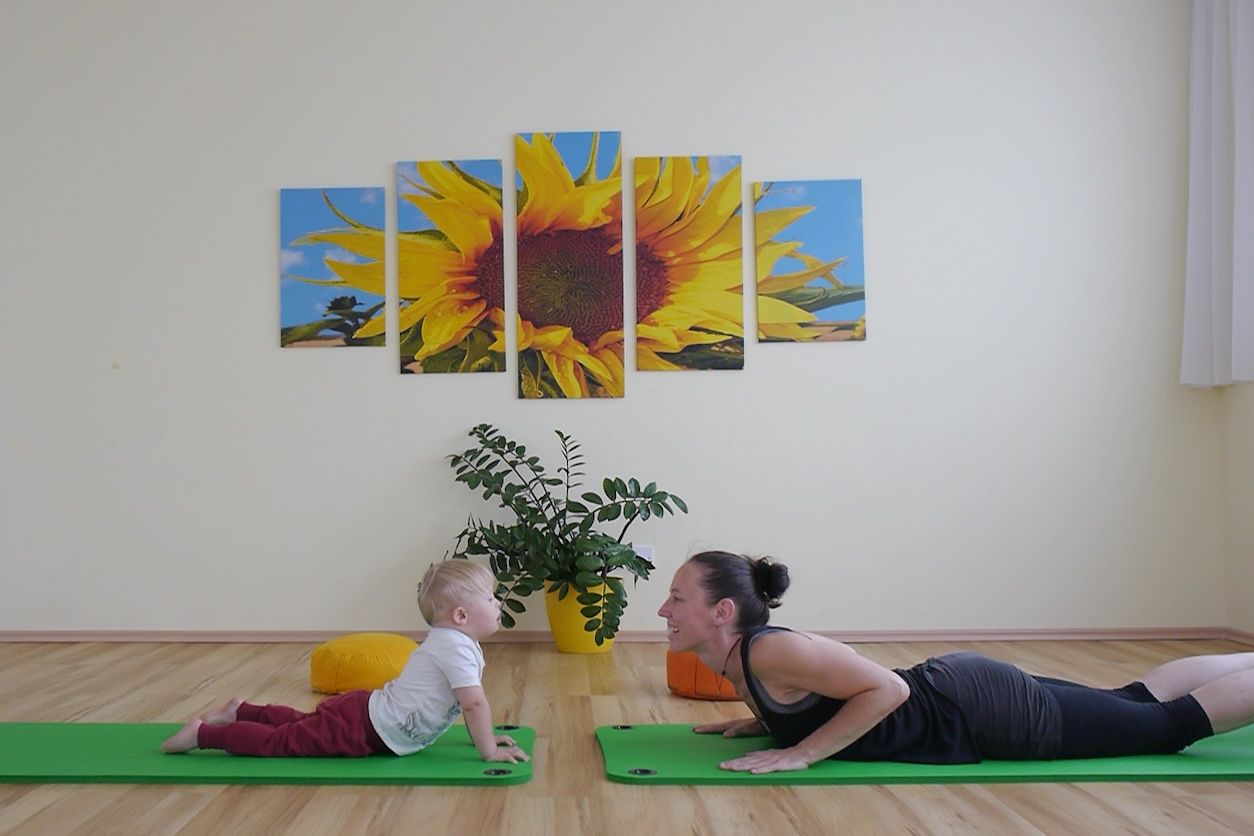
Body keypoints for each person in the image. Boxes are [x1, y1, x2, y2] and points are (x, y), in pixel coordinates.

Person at [657, 550, 1254, 774]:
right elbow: (827, 689)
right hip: (966, 693)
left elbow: (887, 689)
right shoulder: (745, 659)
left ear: (722, 611)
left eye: (678, 599)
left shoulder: (768, 650)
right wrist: (770, 719)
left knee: (1165, 727)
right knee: (1134, 700)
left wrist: (803, 752)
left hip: (981, 714)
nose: (664, 609)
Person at [162, 560, 529, 764]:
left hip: (365, 713)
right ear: (461, 616)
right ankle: (203, 734)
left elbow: (466, 706)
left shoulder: (456, 643)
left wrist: (483, 736)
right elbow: (473, 704)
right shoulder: (456, 649)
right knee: (283, 742)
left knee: (301, 724)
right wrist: (489, 750)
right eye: (491, 598)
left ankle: (241, 710)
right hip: (363, 728)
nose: (498, 604)